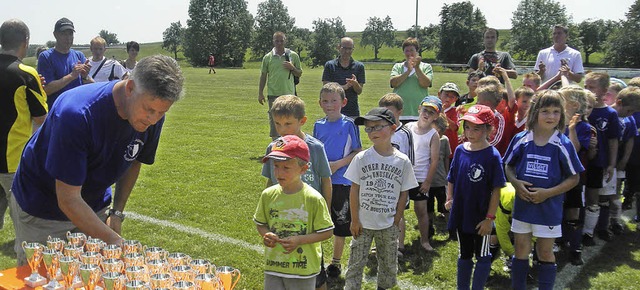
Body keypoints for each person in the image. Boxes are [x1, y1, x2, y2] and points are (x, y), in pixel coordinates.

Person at [9, 55, 184, 265]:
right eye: (149, 110)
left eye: (162, 112)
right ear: (129, 88)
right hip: (43, 208)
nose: (153, 119)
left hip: (92, 204)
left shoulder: (152, 115)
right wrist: (113, 240)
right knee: (44, 278)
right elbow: (67, 198)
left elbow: (134, 159)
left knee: (94, 278)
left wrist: (117, 212)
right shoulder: (76, 114)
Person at [504, 90, 583, 290]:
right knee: (521, 248)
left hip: (548, 207)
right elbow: (508, 166)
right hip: (523, 205)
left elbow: (574, 177)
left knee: (545, 251)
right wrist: (515, 183)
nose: (551, 116)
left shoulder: (562, 143)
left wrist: (547, 193)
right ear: (534, 113)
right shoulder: (522, 139)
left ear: (562, 115)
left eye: (556, 112)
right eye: (545, 111)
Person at [261, 95, 331, 290]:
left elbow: (326, 180)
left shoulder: (315, 147)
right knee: (282, 262)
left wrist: (326, 210)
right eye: (278, 124)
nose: (283, 130)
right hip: (281, 217)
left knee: (315, 272)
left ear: (302, 121)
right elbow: (269, 181)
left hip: (308, 220)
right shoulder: (274, 148)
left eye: (288, 124)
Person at [343, 107, 418, 290]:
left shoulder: (402, 161)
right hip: (362, 224)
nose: (372, 132)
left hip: (388, 225)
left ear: (393, 128)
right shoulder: (362, 158)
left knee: (388, 267)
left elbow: (404, 192)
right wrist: (354, 219)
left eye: (377, 127)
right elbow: (354, 190)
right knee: (355, 265)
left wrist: (397, 218)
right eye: (368, 128)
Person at [445, 104, 505, 290]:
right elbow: (452, 178)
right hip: (462, 213)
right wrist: (449, 198)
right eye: (467, 127)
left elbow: (496, 189)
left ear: (488, 129)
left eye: (476, 128)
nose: (470, 132)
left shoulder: (492, 156)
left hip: (481, 216)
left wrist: (489, 219)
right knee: (464, 254)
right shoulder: (461, 150)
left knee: (482, 255)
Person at [0, 19, 48, 230]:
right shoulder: (26, 74)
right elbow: (41, 118)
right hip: (12, 161)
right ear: (25, 42)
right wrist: (39, 89)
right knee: (25, 226)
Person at [312, 83, 362, 278]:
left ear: (344, 102)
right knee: (318, 220)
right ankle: (317, 259)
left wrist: (337, 164)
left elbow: (358, 151)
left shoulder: (349, 124)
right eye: (325, 101)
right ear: (320, 103)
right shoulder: (318, 125)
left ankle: (335, 262)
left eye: (334, 100)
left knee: (340, 223)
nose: (329, 105)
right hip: (322, 181)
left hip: (342, 181)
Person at [558, 85, 595, 265]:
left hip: (574, 177)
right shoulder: (555, 122)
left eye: (561, 99)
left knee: (573, 212)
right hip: (555, 176)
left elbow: (576, 148)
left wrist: (571, 128)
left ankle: (575, 247)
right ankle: (557, 240)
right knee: (556, 209)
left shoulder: (584, 127)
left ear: (572, 105)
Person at [582, 72, 620, 245]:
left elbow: (613, 141)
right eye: (585, 86)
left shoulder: (610, 114)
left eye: (591, 87)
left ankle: (588, 232)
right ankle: (573, 230)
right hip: (579, 162)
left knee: (593, 197)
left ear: (604, 91)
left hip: (597, 163)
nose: (587, 90)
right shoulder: (579, 110)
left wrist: (611, 164)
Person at [378, 93, 414, 255]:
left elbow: (410, 159)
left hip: (399, 182)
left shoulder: (405, 133)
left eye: (390, 113)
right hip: (382, 180)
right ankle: (383, 243)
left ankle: (399, 245)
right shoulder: (380, 130)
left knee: (398, 214)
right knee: (383, 212)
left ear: (400, 112)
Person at [406, 96, 442, 252]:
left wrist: (427, 182)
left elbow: (434, 161)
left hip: (420, 177)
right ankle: (396, 242)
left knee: (421, 210)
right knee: (397, 210)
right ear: (419, 109)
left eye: (431, 112)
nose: (427, 114)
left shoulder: (433, 135)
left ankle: (424, 240)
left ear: (436, 116)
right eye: (425, 110)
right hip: (404, 175)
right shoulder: (407, 127)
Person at [38, 17, 92, 109]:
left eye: (70, 34)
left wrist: (85, 77)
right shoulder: (46, 57)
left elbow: (90, 86)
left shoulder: (79, 55)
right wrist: (72, 76)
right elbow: (46, 90)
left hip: (77, 111)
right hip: (57, 113)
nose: (68, 38)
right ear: (55, 35)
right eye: (64, 34)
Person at [258, 32, 302, 139]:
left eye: (281, 41)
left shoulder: (293, 56)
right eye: (276, 41)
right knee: (275, 122)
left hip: (289, 95)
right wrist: (260, 93)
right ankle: (276, 148)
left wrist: (292, 68)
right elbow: (263, 76)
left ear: (285, 41)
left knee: (290, 121)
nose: (279, 43)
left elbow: (299, 73)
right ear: (273, 41)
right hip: (273, 94)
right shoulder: (268, 57)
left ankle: (291, 147)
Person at [390, 37, 433, 122]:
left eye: (412, 50)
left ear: (417, 51)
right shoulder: (398, 66)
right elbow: (393, 83)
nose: (409, 53)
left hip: (419, 114)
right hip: (400, 114)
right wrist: (408, 71)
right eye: (407, 50)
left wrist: (416, 68)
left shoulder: (426, 67)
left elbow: (425, 84)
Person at [322, 37, 365, 118]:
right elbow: (326, 87)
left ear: (353, 49)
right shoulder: (330, 65)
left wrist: (355, 84)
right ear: (338, 47)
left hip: (352, 110)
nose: (347, 51)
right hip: (333, 108)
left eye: (350, 49)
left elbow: (359, 91)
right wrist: (344, 87)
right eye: (344, 48)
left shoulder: (359, 67)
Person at [430, 116, 451, 236]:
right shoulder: (425, 140)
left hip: (440, 179)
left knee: (444, 204)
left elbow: (446, 158)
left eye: (441, 132)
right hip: (427, 180)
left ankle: (450, 227)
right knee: (428, 206)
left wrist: (447, 175)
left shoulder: (445, 141)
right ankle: (429, 227)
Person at [438, 83, 460, 159]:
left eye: (452, 97)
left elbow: (454, 127)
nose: (448, 99)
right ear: (439, 94)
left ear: (456, 99)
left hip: (450, 148)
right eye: (446, 95)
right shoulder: (433, 109)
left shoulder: (455, 111)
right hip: (436, 146)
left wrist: (443, 113)